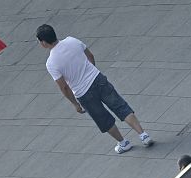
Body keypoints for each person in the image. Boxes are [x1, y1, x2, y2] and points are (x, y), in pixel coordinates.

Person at [36, 24, 153, 154]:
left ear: (44, 42)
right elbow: (90, 56)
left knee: (103, 119)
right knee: (120, 107)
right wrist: (92, 72)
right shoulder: (71, 40)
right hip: (97, 79)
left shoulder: (51, 62)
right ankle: (143, 135)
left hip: (83, 93)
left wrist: (75, 104)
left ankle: (123, 143)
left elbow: (64, 87)